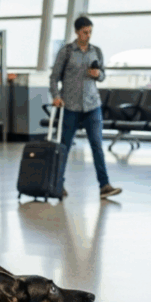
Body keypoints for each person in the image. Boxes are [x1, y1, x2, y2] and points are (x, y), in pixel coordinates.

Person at [50, 16, 121, 199]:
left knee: (97, 145)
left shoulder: (96, 51)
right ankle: (57, 184)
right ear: (76, 31)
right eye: (85, 32)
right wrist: (56, 96)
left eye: (90, 32)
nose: (88, 35)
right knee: (64, 147)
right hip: (71, 106)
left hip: (92, 106)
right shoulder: (66, 52)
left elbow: (103, 75)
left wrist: (98, 75)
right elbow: (54, 77)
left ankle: (104, 186)